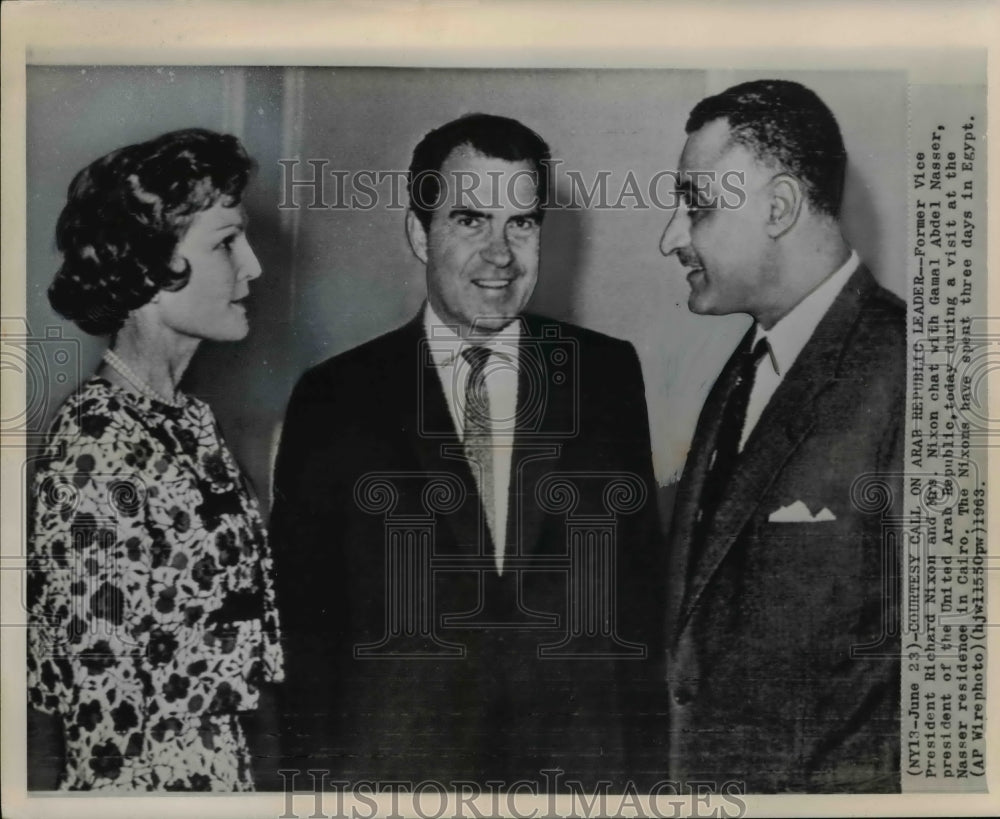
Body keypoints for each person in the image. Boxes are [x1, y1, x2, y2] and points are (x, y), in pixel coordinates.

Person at [270, 113, 661, 788]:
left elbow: (640, 603)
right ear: (419, 234)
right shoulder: (334, 398)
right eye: (471, 219)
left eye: (523, 222)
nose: (501, 253)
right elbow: (305, 637)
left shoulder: (607, 375)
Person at [659, 80, 904, 792]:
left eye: (696, 206)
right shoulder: (743, 370)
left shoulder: (914, 371)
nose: (671, 237)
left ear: (780, 207)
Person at [26, 128, 283, 791]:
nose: (252, 266)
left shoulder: (187, 420)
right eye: (226, 242)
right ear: (148, 265)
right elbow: (101, 721)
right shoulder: (96, 445)